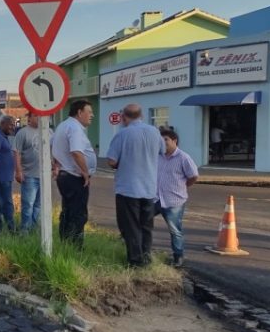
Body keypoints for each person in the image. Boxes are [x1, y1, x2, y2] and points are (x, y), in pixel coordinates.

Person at [106, 104, 165, 268]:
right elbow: (163, 151)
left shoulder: (122, 134)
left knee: (130, 226)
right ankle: (146, 257)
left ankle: (135, 261)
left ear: (124, 117)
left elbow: (111, 161)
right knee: (146, 226)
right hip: (149, 188)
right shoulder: (154, 132)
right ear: (142, 116)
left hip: (128, 189)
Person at [51, 100, 96, 247]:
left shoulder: (63, 125)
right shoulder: (74, 128)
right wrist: (85, 172)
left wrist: (57, 163)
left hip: (65, 175)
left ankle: (66, 244)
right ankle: (75, 247)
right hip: (74, 177)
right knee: (78, 214)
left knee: (68, 211)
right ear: (79, 112)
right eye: (89, 112)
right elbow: (76, 152)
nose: (92, 115)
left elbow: (54, 146)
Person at [157, 128, 199, 268]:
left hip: (174, 201)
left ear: (174, 141)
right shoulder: (158, 156)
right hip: (156, 199)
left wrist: (183, 187)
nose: (163, 143)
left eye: (166, 140)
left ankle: (178, 256)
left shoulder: (183, 158)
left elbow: (193, 176)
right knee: (142, 221)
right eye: (161, 140)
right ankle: (143, 252)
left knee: (175, 230)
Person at [13, 112, 51, 233]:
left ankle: (34, 229)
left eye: (41, 116)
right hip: (29, 176)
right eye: (36, 116)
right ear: (29, 118)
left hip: (45, 176)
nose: (39, 118)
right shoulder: (23, 133)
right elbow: (16, 152)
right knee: (28, 204)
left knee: (39, 205)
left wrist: (55, 166)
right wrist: (18, 171)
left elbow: (53, 150)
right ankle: (24, 231)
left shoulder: (49, 132)